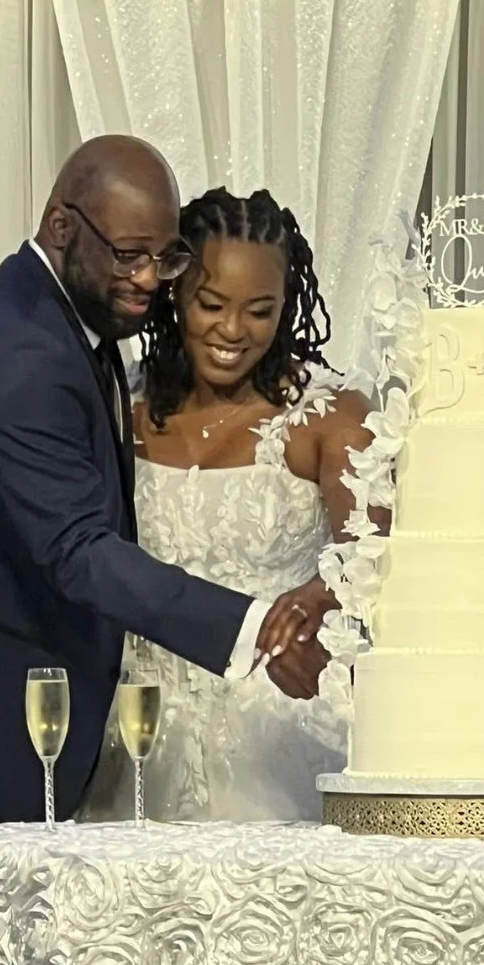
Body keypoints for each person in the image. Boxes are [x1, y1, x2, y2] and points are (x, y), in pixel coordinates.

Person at [0, 139, 325, 832]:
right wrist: (253, 628)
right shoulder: (24, 346)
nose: (148, 279)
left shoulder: (65, 324)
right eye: (128, 255)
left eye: (163, 258)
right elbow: (78, 547)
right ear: (62, 227)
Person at [81, 186, 378, 824]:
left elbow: (374, 554)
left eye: (261, 311)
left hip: (276, 713)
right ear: (174, 294)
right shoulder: (116, 407)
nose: (233, 331)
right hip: (134, 718)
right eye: (211, 305)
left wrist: (315, 596)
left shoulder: (330, 416)